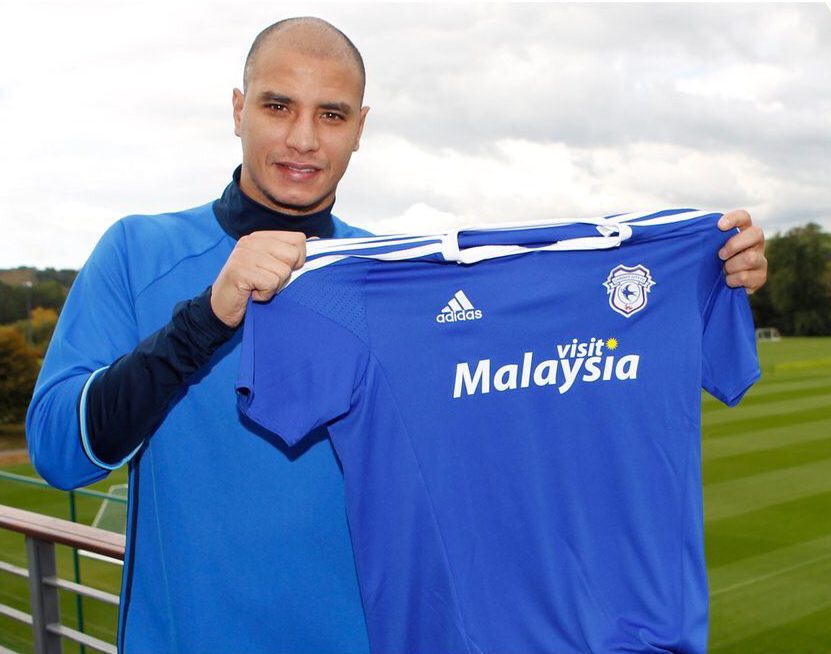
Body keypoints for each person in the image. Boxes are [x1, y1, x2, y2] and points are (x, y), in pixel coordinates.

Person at [26, 16, 768, 654]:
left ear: (360, 129)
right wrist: (207, 316)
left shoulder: (396, 285)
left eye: (332, 114)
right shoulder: (138, 251)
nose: (302, 138)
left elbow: (518, 415)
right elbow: (60, 451)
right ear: (237, 108)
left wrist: (702, 275)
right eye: (278, 105)